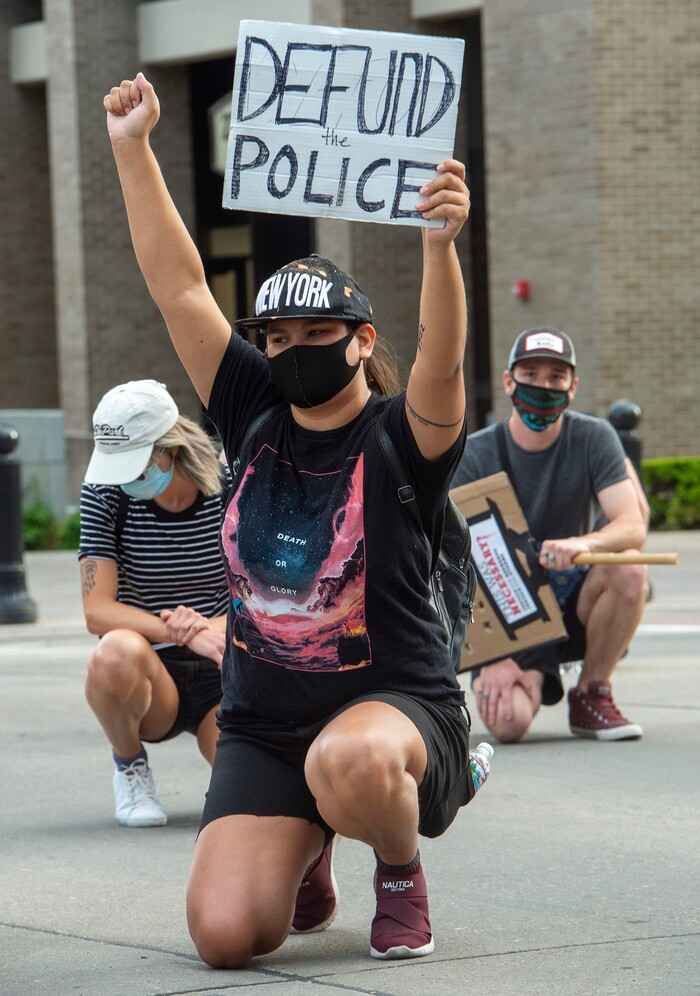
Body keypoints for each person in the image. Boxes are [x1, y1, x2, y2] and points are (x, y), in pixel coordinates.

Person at [103, 72, 472, 967]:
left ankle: (395, 865)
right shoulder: (252, 411)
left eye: (315, 336)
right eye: (277, 339)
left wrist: (438, 246)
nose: (291, 352)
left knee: (350, 767)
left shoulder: (400, 438)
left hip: (389, 712)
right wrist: (134, 148)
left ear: (361, 340)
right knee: (228, 939)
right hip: (265, 722)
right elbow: (179, 288)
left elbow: (443, 362)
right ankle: (305, 847)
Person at [452, 327, 649, 743]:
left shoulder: (594, 437)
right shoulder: (474, 454)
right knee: (509, 724)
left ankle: (593, 693)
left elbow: (632, 523)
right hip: (513, 611)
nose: (543, 386)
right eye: (531, 373)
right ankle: (531, 675)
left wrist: (583, 544)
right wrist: (494, 655)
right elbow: (454, 560)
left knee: (631, 567)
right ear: (509, 381)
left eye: (556, 377)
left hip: (574, 598)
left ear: (572, 387)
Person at [79, 379, 230, 827]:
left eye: (133, 464)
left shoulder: (232, 487)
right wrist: (183, 632)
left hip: (223, 665)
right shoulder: (104, 491)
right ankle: (130, 767)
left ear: (169, 450)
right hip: (148, 673)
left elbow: (263, 597)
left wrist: (209, 629)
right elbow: (98, 610)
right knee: (113, 651)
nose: (122, 477)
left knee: (247, 797)